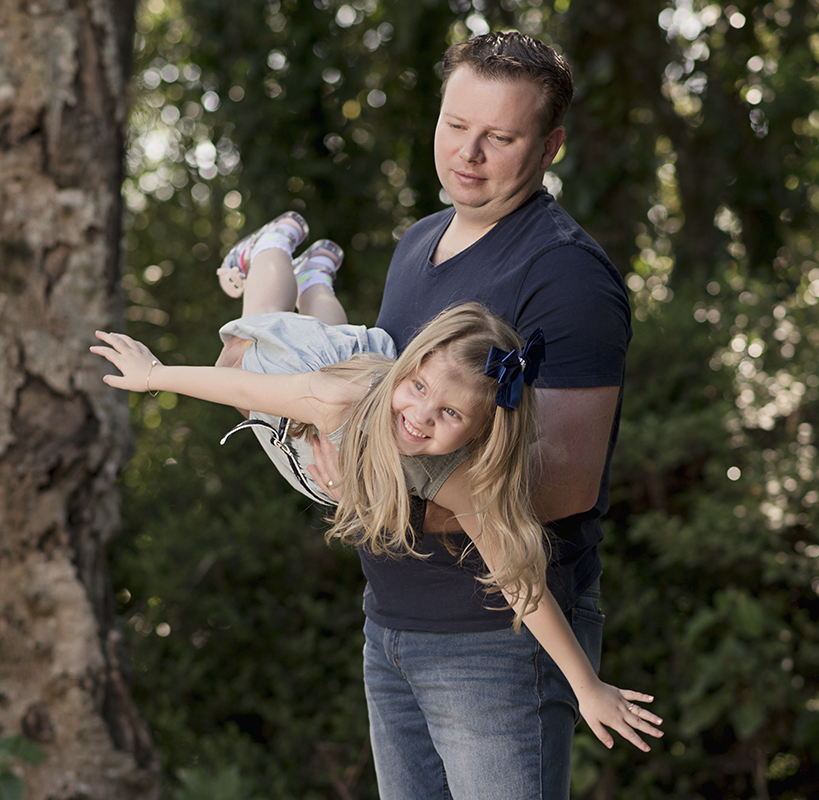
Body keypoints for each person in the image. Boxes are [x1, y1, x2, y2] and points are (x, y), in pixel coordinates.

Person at [89, 211, 662, 755]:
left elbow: (520, 582)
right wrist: (153, 378)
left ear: (483, 429)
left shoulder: (454, 477)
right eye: (418, 389)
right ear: (410, 364)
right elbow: (242, 393)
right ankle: (271, 246)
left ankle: (316, 275)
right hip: (302, 377)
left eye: (451, 415)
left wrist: (587, 687)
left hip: (347, 370)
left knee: (333, 332)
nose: (421, 417)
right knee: (250, 339)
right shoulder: (342, 397)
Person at [306, 31, 640, 799]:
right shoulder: (419, 241)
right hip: (390, 622)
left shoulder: (566, 277)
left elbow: (564, 486)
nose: (468, 154)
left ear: (550, 145)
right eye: (456, 125)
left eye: (501, 136)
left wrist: (374, 490)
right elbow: (386, 412)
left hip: (499, 640)